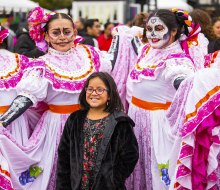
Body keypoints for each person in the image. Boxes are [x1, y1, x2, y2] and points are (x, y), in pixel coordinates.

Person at [0, 6, 122, 190]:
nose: (62, 37)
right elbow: (26, 97)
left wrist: (121, 37)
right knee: (59, 171)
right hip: (57, 127)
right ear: (46, 36)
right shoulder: (42, 65)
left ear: (74, 32)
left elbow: (114, 62)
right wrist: (3, 122)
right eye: (56, 33)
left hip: (92, 122)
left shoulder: (90, 55)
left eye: (67, 31)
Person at [125, 9, 197, 190]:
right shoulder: (146, 51)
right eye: (149, 28)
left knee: (158, 173)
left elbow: (181, 78)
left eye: (158, 28)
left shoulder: (177, 59)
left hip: (158, 124)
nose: (152, 34)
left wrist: (182, 82)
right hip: (135, 120)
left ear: (173, 31)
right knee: (137, 168)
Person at [56, 72, 139, 190]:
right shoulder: (75, 119)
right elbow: (64, 157)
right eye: (90, 89)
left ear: (109, 94)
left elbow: (130, 156)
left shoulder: (120, 122)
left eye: (100, 90)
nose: (94, 93)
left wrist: (113, 180)